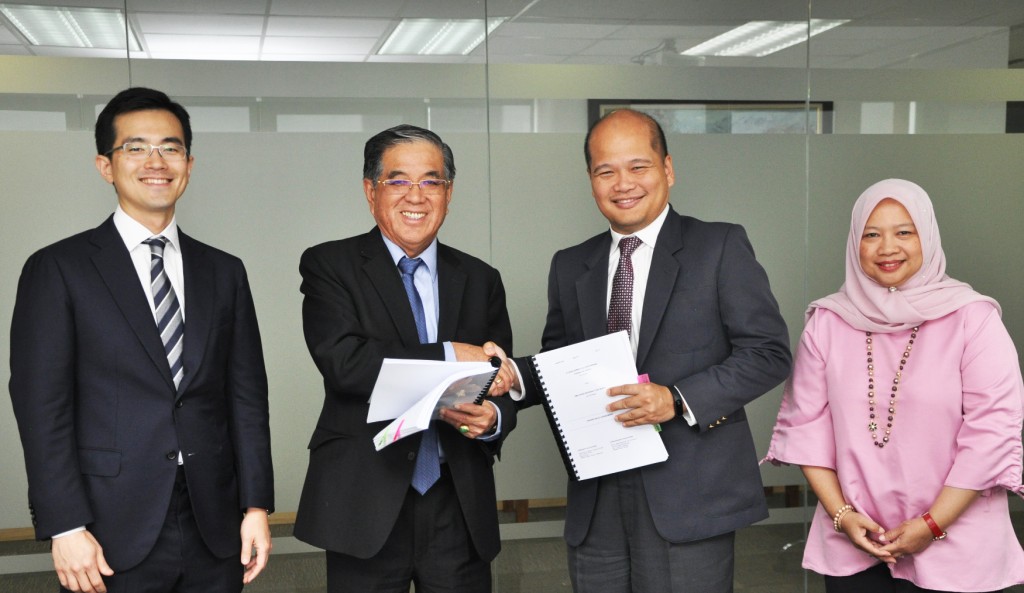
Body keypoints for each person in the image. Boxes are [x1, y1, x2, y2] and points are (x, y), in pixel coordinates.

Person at [495, 108, 792, 592]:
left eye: (639, 166)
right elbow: (561, 365)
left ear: (668, 170)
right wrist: (510, 375)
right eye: (605, 170)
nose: (622, 183)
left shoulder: (718, 246)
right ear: (590, 180)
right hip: (598, 497)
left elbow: (768, 353)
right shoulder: (571, 265)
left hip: (690, 495)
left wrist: (676, 399)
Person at [8, 87, 274, 593]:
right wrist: (65, 524)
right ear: (106, 166)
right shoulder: (59, 269)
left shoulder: (223, 271)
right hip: (108, 526)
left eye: (170, 148)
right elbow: (42, 406)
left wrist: (256, 506)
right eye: (136, 147)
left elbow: (246, 398)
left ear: (189, 164)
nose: (156, 161)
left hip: (214, 522)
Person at [764, 178, 1024, 592]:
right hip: (855, 543)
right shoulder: (828, 323)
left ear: (928, 237)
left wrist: (932, 523)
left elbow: (992, 433)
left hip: (957, 547)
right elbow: (807, 427)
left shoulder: (973, 319)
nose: (888, 247)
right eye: (872, 234)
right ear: (855, 243)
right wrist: (842, 516)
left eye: (905, 231)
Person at [293, 124, 518, 593]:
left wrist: (494, 416)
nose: (415, 195)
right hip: (365, 501)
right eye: (398, 180)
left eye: (431, 181)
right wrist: (452, 354)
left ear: (449, 192)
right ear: (370, 191)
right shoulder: (329, 265)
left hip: (457, 501)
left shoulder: (480, 278)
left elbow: (501, 375)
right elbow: (346, 363)